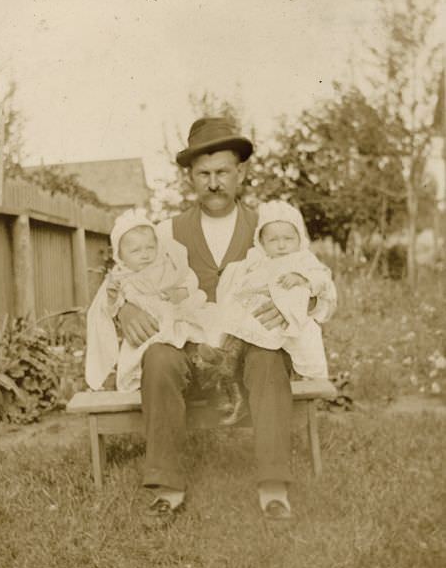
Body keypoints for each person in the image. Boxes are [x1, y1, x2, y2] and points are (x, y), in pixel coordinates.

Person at [118, 117, 333, 522]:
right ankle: (167, 489)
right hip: (190, 345)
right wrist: (124, 308)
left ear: (241, 173)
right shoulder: (165, 232)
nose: (214, 183)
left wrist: (300, 303)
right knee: (159, 358)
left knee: (269, 358)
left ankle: (273, 488)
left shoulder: (271, 228)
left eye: (222, 173)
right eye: (203, 174)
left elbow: (316, 281)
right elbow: (121, 276)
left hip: (250, 349)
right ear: (190, 177)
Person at [85, 207, 210, 392]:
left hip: (175, 314)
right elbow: (110, 307)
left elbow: (189, 278)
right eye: (135, 251)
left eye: (150, 247)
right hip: (149, 328)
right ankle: (142, 377)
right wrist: (114, 298)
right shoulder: (120, 277)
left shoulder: (166, 265)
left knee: (194, 333)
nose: (145, 254)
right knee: (147, 354)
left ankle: (203, 360)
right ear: (120, 256)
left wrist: (181, 292)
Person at [217, 199, 336, 381]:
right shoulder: (260, 261)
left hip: (293, 318)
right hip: (262, 314)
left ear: (299, 239)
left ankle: (307, 376)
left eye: (288, 239)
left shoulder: (303, 259)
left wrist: (302, 278)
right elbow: (243, 281)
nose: (282, 246)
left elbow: (323, 280)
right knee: (239, 323)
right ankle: (225, 358)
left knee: (299, 340)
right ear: (262, 243)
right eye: (273, 240)